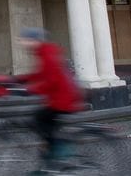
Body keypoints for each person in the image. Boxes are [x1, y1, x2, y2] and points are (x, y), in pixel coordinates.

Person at [14, 27, 84, 167]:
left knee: (38, 119)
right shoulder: (44, 51)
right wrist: (19, 80)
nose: (22, 43)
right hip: (59, 97)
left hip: (63, 99)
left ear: (33, 40)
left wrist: (30, 89)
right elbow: (40, 74)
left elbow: (53, 80)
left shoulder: (47, 53)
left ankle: (59, 148)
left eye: (25, 40)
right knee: (45, 122)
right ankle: (52, 152)